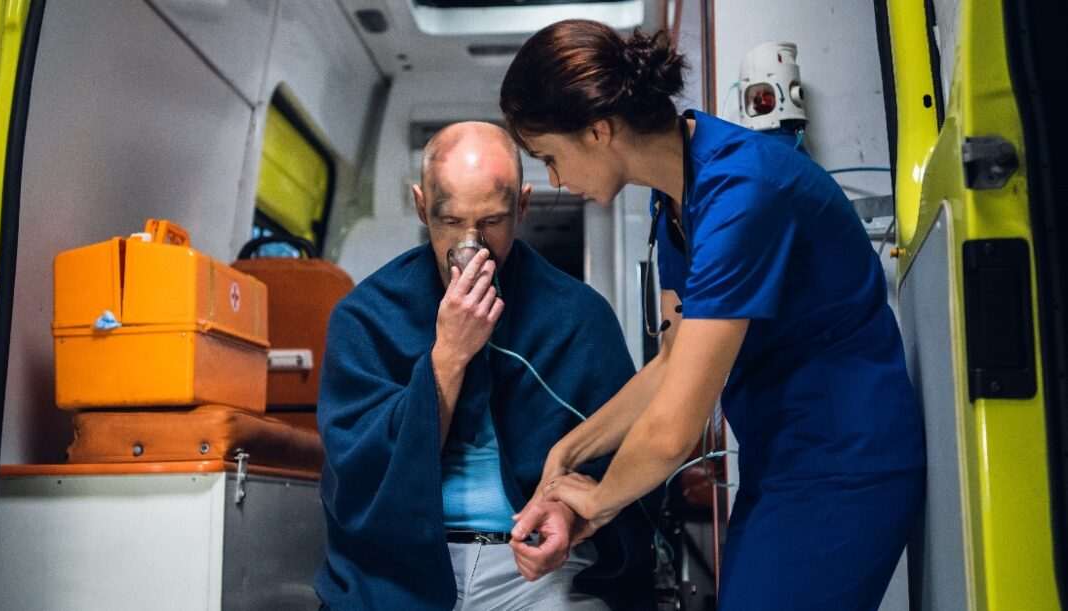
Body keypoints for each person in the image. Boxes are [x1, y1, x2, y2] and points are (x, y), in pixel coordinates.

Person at [500, 20, 926, 611]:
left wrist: (596, 503)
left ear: (597, 131)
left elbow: (675, 430)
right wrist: (564, 455)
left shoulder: (741, 192)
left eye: (548, 157)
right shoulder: (676, 194)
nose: (554, 179)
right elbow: (673, 359)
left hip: (844, 466)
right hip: (783, 465)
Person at [314, 121, 655, 610]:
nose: (470, 247)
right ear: (420, 205)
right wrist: (448, 357)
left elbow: (625, 455)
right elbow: (357, 471)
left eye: (492, 222)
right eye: (449, 222)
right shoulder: (365, 317)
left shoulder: (577, 316)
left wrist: (567, 514)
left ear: (522, 205)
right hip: (399, 561)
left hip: (535, 567)